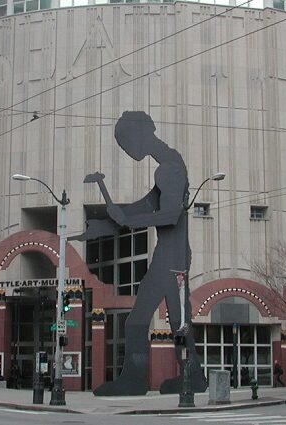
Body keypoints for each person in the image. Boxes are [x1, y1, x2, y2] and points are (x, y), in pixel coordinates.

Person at [76, 111, 206, 396]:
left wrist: (129, 221)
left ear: (140, 135)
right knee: (178, 321)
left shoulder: (168, 167)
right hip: (172, 255)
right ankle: (192, 376)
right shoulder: (170, 162)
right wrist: (109, 221)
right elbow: (148, 204)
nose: (126, 150)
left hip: (171, 257)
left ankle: (135, 380)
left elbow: (170, 215)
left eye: (125, 143)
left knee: (140, 319)